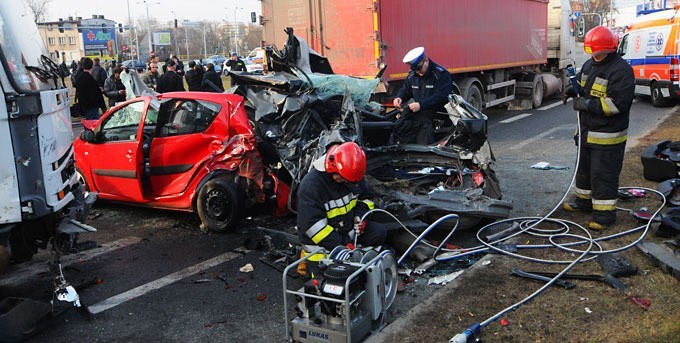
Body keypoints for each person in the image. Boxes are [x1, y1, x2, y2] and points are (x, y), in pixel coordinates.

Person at [561, 26, 635, 231]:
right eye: (592, 51)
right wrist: (572, 90)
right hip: (586, 134)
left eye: (599, 52)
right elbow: (584, 88)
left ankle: (604, 216)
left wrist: (586, 105)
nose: (596, 55)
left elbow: (617, 105)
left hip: (607, 138)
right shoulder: (589, 65)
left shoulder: (621, 71)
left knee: (603, 176)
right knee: (584, 172)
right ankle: (584, 203)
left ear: (610, 49)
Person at [296, 142, 388, 251]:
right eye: (341, 178)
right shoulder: (311, 186)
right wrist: (342, 245)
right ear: (332, 168)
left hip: (347, 231)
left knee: (379, 232)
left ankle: (359, 255)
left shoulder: (352, 177)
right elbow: (314, 228)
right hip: (322, 246)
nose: (345, 182)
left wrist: (361, 218)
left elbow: (366, 199)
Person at [391, 47, 452, 145]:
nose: (418, 72)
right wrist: (400, 97)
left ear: (426, 60)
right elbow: (406, 89)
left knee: (426, 141)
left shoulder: (441, 74)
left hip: (438, 118)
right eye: (415, 70)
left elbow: (442, 96)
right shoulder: (412, 75)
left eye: (419, 69)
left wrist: (421, 105)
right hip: (420, 116)